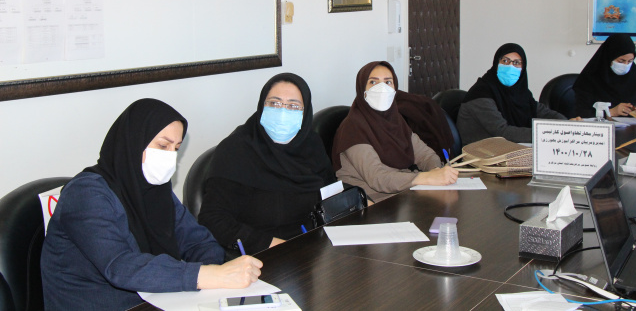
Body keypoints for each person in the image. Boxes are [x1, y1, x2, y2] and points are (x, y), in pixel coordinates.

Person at [41, 99, 262, 311]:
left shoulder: (155, 189)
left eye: (176, 148)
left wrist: (212, 272)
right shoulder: (86, 194)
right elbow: (120, 267)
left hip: (157, 302)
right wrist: (206, 275)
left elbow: (199, 241)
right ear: (133, 142)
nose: (170, 157)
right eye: (163, 145)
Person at [198, 73, 336, 255]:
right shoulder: (235, 150)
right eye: (274, 103)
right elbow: (213, 218)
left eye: (293, 106)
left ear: (305, 112)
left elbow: (331, 192)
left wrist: (359, 200)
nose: (283, 112)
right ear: (262, 105)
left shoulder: (312, 145)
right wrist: (267, 244)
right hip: (257, 254)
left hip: (311, 249)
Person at [332, 61, 458, 203]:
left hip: (404, 195)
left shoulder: (396, 121)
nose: (382, 88)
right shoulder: (352, 127)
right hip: (374, 202)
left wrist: (435, 171)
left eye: (388, 82)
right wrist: (425, 177)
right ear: (362, 89)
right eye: (373, 82)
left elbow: (425, 155)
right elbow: (378, 178)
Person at [457, 43, 567, 145]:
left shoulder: (520, 93)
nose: (510, 66)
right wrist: (548, 134)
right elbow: (502, 132)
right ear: (496, 63)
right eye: (505, 61)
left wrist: (567, 126)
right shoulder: (481, 93)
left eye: (516, 63)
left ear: (523, 68)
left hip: (510, 150)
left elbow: (544, 113)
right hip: (482, 154)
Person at [573, 34, 636, 118]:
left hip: (630, 125)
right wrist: (611, 112)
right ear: (609, 57)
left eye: (630, 61)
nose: (626, 65)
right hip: (600, 125)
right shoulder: (591, 76)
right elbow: (581, 113)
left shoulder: (633, 72)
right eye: (621, 61)